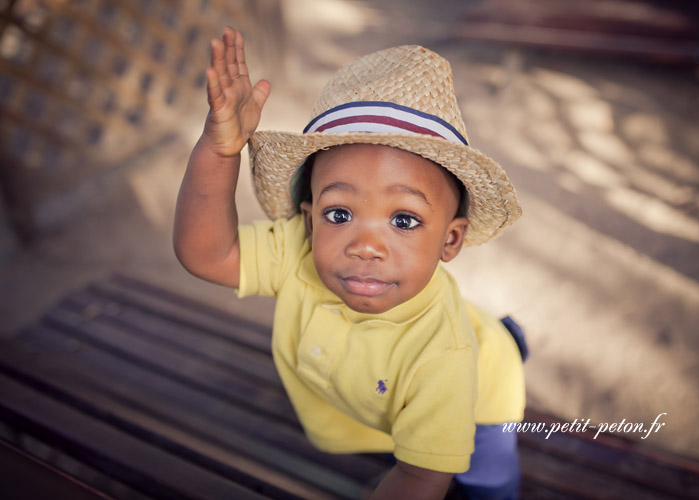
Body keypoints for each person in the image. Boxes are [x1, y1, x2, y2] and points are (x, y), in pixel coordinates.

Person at [174, 26, 526, 500]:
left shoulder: (445, 356)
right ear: (310, 220)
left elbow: (423, 476)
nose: (365, 245)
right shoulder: (297, 252)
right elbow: (206, 253)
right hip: (373, 407)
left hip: (483, 397)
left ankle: (507, 353)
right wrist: (220, 152)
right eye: (339, 214)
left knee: (486, 480)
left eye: (404, 219)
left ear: (451, 239)